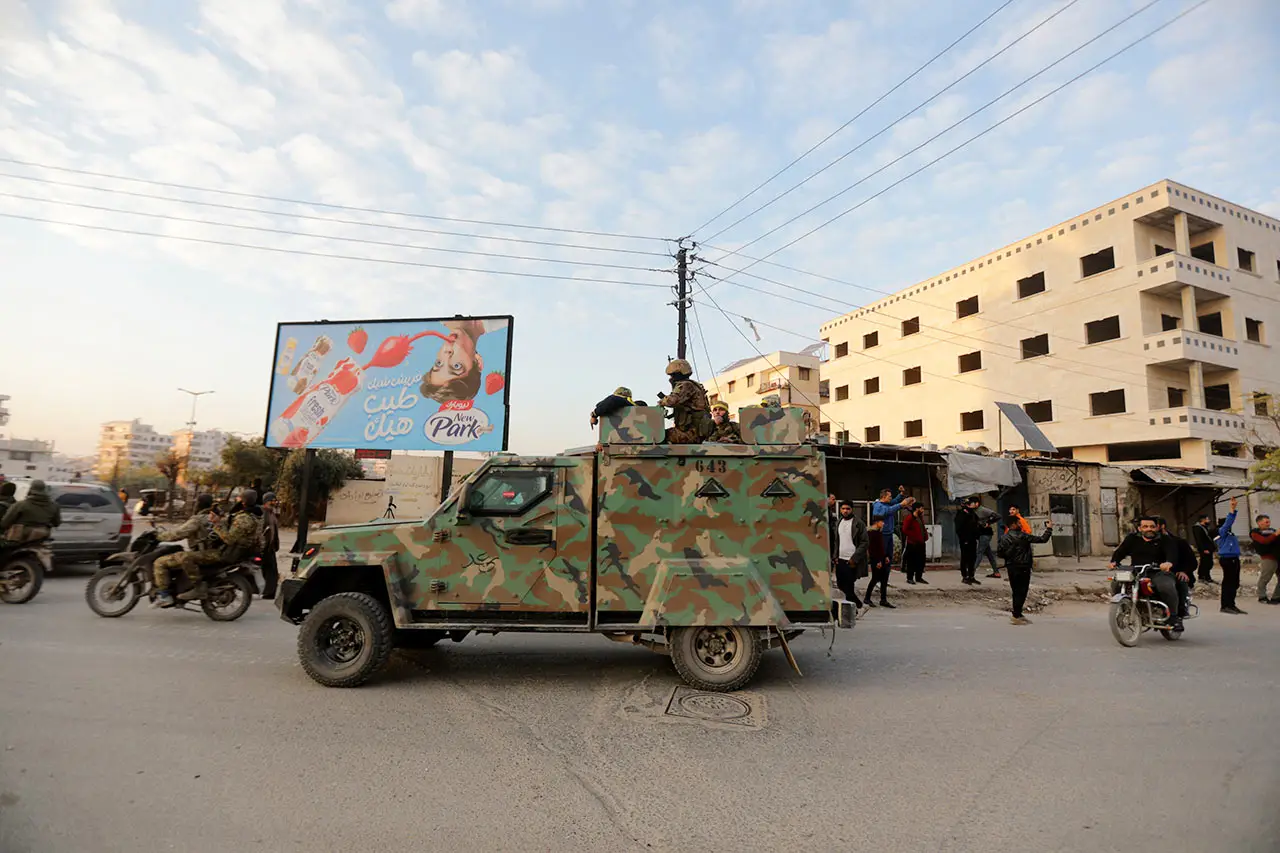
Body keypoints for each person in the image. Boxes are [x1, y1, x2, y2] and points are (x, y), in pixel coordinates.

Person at [1110, 515, 1181, 630]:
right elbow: (1121, 551)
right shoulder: (1132, 539)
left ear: (1157, 527)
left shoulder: (1165, 539)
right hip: (1137, 571)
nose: (1149, 529)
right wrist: (1114, 561)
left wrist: (1168, 563)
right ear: (1140, 528)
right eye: (1145, 526)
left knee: (1166, 586)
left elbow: (1172, 553)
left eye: (1152, 526)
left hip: (1158, 572)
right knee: (1116, 583)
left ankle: (1174, 617)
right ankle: (1124, 608)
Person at [151, 495, 219, 608]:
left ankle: (164, 596)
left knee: (159, 562)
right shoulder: (215, 517)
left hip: (204, 553)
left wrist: (160, 536)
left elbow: (179, 533)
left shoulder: (198, 520)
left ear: (198, 504)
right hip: (214, 552)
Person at [419, 318, 501, 402]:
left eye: (439, 363)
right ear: (478, 361)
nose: (447, 353)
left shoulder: (438, 310)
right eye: (456, 366)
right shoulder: (500, 321)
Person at [996, 509, 1054, 625]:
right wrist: (1049, 528)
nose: (1021, 524)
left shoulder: (1004, 538)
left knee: (1015, 591)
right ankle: (1016, 615)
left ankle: (1017, 613)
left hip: (1011, 567)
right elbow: (1042, 539)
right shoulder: (1023, 536)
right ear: (1013, 524)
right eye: (1019, 523)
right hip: (1023, 566)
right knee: (1022, 591)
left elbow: (1000, 554)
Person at [657, 359, 711, 444]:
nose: (671, 378)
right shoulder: (693, 385)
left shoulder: (686, 385)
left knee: (657, 437)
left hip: (690, 434)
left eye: (672, 375)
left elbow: (672, 401)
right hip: (695, 432)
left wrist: (661, 402)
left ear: (679, 373)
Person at [1158, 517, 1197, 619]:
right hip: (1155, 574)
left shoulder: (1179, 542)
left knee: (1180, 581)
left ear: (1161, 527)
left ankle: (1180, 613)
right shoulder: (1147, 543)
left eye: (1153, 526)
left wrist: (1183, 571)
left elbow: (1192, 562)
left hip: (1176, 573)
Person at [832, 501, 867, 610]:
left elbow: (864, 542)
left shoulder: (858, 523)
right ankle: (857, 606)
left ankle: (855, 608)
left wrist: (854, 558)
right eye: (843, 509)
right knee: (841, 585)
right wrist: (835, 556)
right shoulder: (839, 522)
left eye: (848, 509)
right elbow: (836, 541)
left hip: (852, 560)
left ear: (852, 509)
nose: (845, 511)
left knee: (849, 586)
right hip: (840, 559)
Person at [872, 486, 913, 569]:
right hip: (882, 534)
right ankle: (878, 579)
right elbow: (887, 511)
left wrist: (901, 494)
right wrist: (901, 505)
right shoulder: (878, 505)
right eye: (889, 496)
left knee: (888, 557)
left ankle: (884, 580)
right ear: (883, 497)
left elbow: (894, 501)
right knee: (880, 557)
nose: (891, 498)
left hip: (889, 533)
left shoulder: (887, 503)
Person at [862, 517, 894, 608]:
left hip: (881, 558)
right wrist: (878, 561)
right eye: (881, 522)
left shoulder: (879, 532)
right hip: (876, 559)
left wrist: (885, 556)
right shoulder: (872, 533)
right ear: (876, 523)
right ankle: (867, 598)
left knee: (884, 579)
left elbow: (881, 547)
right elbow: (873, 548)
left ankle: (883, 600)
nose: (883, 524)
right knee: (875, 579)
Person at [1250, 512, 1279, 605]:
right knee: (1265, 578)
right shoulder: (1255, 532)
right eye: (1266, 522)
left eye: (1269, 522)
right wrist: (1275, 534)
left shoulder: (1272, 530)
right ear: (1259, 523)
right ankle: (1262, 596)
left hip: (1278, 557)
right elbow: (1264, 541)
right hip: (1268, 558)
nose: (1268, 524)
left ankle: (1276, 597)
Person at [954, 496, 982, 585]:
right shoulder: (962, 513)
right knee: (965, 558)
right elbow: (959, 528)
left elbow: (976, 525)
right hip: (965, 540)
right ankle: (965, 576)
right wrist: (964, 538)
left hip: (973, 539)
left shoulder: (973, 513)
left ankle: (971, 576)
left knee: (972, 558)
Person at [260, 492, 281, 600]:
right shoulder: (263, 513)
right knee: (268, 570)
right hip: (264, 547)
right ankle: (268, 592)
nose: (274, 502)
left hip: (270, 547)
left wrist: (276, 544)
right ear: (266, 501)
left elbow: (274, 531)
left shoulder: (271, 513)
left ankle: (269, 592)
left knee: (271, 571)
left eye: (274, 500)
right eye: (272, 500)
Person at [901, 504, 929, 584]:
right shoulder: (910, 518)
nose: (923, 510)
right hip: (913, 543)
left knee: (921, 561)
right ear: (917, 509)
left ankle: (919, 577)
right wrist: (913, 536)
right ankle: (910, 578)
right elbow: (905, 529)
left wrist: (925, 536)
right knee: (911, 561)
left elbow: (922, 528)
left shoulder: (920, 518)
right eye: (921, 508)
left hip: (921, 542)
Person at [976, 504, 1001, 578]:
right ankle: (996, 572)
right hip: (981, 534)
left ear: (976, 503)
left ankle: (972, 571)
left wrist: (988, 523)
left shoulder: (983, 510)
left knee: (979, 552)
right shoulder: (974, 511)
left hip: (985, 534)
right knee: (989, 554)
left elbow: (998, 516)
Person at [1191, 513, 1216, 584]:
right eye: (1207, 519)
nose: (1209, 520)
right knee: (1205, 563)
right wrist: (1203, 549)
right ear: (1203, 520)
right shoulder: (1198, 528)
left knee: (1209, 563)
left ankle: (1207, 576)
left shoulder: (1205, 527)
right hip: (1205, 549)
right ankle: (1202, 577)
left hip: (1209, 548)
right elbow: (1199, 540)